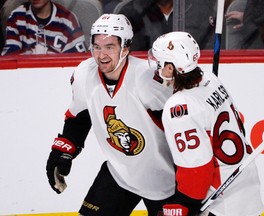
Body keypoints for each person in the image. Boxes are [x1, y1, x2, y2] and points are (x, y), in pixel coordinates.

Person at [46, 14, 175, 215]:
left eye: (109, 47)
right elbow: (79, 117)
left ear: (125, 47)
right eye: (97, 46)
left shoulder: (148, 79)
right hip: (120, 173)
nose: (101, 55)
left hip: (165, 179)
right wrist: (63, 151)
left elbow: (180, 127)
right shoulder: (84, 74)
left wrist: (195, 180)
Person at [148, 31, 264, 216]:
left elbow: (196, 167)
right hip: (246, 187)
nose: (156, 67)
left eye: (160, 62)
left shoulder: (179, 107)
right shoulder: (211, 80)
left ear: (171, 68)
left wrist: (186, 204)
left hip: (219, 201)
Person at [117, 0, 216, 51]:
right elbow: (130, 55)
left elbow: (210, 51)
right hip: (147, 77)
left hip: (190, 76)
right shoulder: (130, 12)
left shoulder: (202, 9)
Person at [1, 0, 86, 55]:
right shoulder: (17, 17)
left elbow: (76, 62)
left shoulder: (69, 20)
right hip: (25, 77)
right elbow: (10, 58)